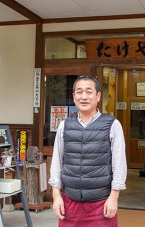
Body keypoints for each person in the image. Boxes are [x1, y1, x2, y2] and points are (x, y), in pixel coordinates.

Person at [48, 75, 127, 227]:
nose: (84, 96)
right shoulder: (64, 125)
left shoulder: (112, 125)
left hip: (101, 204)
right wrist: (56, 195)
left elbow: (119, 164)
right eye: (79, 92)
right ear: (73, 96)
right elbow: (57, 162)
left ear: (98, 96)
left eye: (89, 92)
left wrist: (114, 197)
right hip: (69, 203)